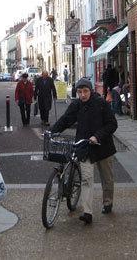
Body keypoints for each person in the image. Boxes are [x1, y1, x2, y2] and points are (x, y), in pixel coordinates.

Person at [51, 77, 118, 224]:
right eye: (80, 92)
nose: (82, 95)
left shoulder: (101, 103)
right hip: (85, 147)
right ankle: (87, 212)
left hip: (103, 147)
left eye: (85, 91)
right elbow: (66, 119)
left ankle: (107, 202)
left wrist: (97, 136)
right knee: (86, 179)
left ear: (91, 91)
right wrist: (52, 131)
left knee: (107, 178)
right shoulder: (77, 105)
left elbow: (112, 124)